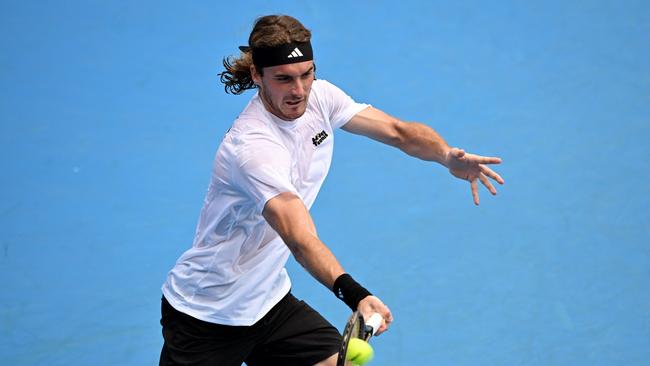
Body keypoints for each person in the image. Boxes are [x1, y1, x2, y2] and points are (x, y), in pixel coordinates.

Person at [159, 14, 504, 366]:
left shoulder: (321, 97)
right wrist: (355, 295)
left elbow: (399, 132)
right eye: (283, 79)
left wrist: (446, 156)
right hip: (206, 315)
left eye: (306, 74)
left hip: (266, 301)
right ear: (256, 76)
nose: (299, 90)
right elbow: (299, 237)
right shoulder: (253, 148)